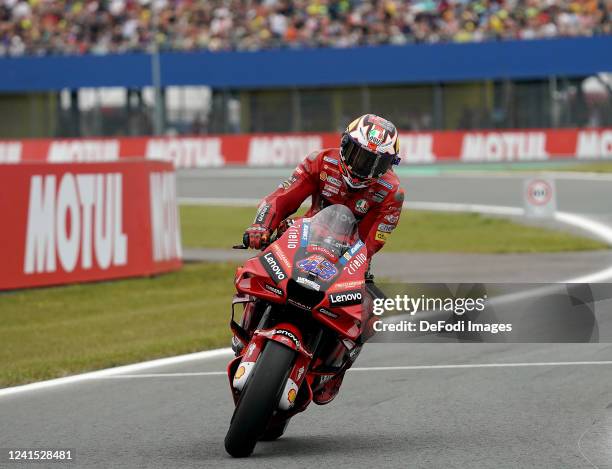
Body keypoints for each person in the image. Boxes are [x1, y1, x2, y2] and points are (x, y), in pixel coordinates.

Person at [240, 114, 405, 404]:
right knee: (260, 264)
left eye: (374, 162)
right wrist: (261, 226)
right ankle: (246, 325)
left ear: (388, 165)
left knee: (370, 309)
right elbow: (281, 197)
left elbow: (372, 242)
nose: (362, 166)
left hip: (347, 256)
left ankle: (333, 371)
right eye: (357, 155)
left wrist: (359, 265)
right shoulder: (320, 161)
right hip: (301, 241)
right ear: (344, 145)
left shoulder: (392, 193)